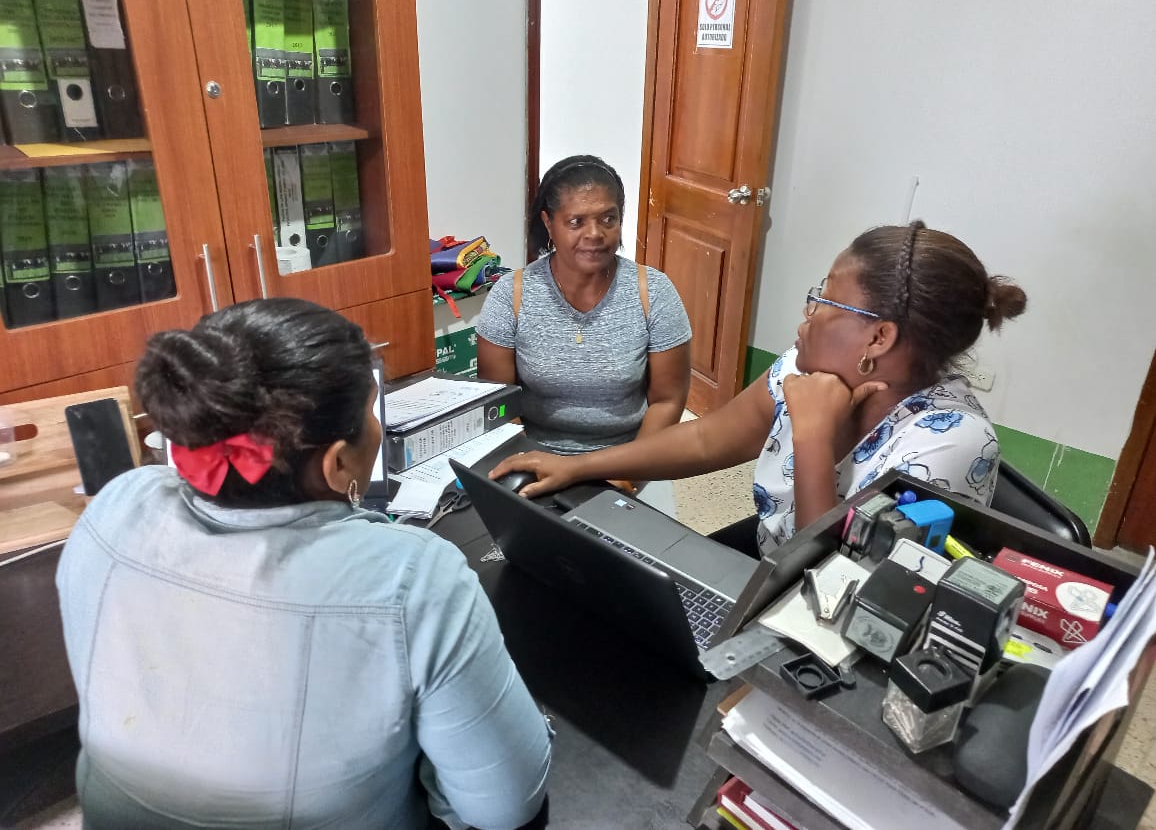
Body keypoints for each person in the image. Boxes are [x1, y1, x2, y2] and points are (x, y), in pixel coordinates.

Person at [56, 299, 551, 830]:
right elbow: (505, 806)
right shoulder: (414, 579)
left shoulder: (117, 502)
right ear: (336, 463)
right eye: (372, 411)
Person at [490, 221, 1027, 556]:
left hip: (831, 616)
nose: (808, 313)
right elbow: (706, 439)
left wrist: (814, 436)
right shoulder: (805, 367)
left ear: (879, 337)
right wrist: (581, 466)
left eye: (825, 301)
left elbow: (832, 587)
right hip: (770, 550)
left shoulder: (948, 442)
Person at [476, 154, 692, 459]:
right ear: (549, 223)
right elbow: (498, 404)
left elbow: (668, 401)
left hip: (631, 457)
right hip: (535, 456)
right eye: (576, 222)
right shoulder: (511, 295)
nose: (595, 234)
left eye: (608, 219)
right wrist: (526, 464)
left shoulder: (653, 292)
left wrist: (627, 474)